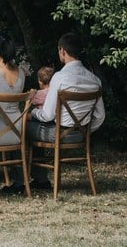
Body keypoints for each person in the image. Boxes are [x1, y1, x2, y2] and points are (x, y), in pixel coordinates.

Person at [23, 33, 106, 190]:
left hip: (57, 134)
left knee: (24, 127)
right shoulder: (95, 80)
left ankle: (34, 180)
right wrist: (86, 131)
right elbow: (100, 116)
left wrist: (32, 113)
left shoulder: (60, 77)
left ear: (62, 51)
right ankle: (40, 179)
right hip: (81, 135)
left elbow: (47, 115)